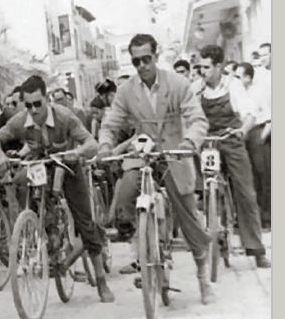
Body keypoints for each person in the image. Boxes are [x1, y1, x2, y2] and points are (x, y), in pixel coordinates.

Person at [97, 33, 214, 304]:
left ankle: (202, 276)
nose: (141, 66)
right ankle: (145, 247)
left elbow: (197, 119)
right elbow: (111, 122)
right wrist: (105, 145)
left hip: (175, 153)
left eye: (146, 59)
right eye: (136, 61)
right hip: (145, 155)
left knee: (188, 216)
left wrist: (189, 142)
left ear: (156, 56)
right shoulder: (127, 90)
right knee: (125, 192)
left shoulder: (178, 83)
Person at [0, 75, 115, 303]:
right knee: (26, 191)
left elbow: (92, 143)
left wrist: (76, 152)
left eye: (38, 104)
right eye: (28, 105)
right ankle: (42, 240)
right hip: (42, 168)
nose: (33, 110)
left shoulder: (65, 117)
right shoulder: (19, 121)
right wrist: (0, 157)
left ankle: (101, 281)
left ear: (47, 100)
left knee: (86, 224)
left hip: (69, 167)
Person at [192, 45, 270, 267]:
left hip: (232, 139)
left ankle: (256, 249)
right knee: (206, 189)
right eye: (200, 67)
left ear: (218, 67)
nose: (202, 72)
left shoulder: (233, 86)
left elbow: (249, 114)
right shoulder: (196, 89)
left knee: (245, 192)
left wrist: (243, 130)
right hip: (208, 143)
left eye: (206, 67)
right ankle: (215, 230)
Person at [234, 62, 271, 229]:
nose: (234, 80)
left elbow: (270, 117)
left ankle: (266, 216)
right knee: (245, 176)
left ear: (248, 77)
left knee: (262, 175)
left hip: (258, 132)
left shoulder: (260, 92)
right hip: (241, 133)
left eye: (238, 76)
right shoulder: (236, 93)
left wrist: (261, 139)